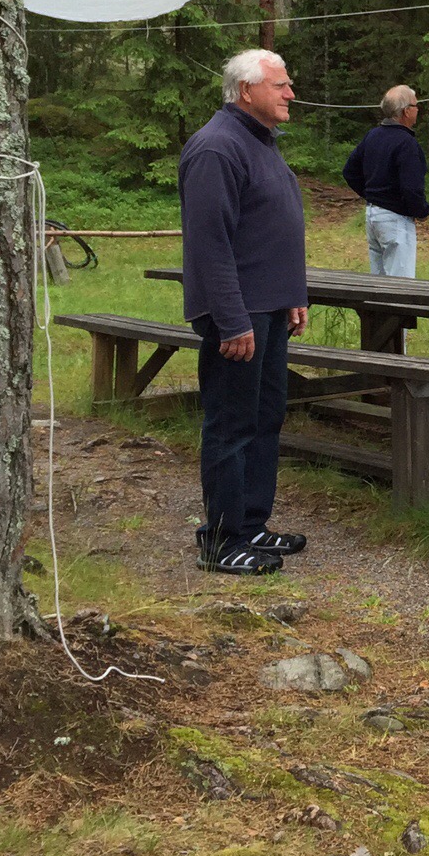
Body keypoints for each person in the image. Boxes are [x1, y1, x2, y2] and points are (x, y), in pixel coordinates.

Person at [179, 49, 310, 575]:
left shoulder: (260, 142)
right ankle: (221, 540)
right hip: (238, 314)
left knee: (265, 417)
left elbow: (272, 226)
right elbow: (210, 244)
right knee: (231, 425)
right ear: (246, 90)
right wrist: (231, 320)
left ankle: (251, 524)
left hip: (270, 307)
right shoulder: (217, 147)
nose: (290, 93)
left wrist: (292, 293)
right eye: (280, 85)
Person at [342, 84, 429, 277]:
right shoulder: (406, 143)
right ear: (406, 111)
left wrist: (373, 196)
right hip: (396, 220)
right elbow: (411, 188)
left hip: (373, 217)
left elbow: (350, 172)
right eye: (416, 106)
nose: (418, 110)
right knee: (400, 285)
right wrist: (422, 211)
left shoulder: (373, 135)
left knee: (379, 282)